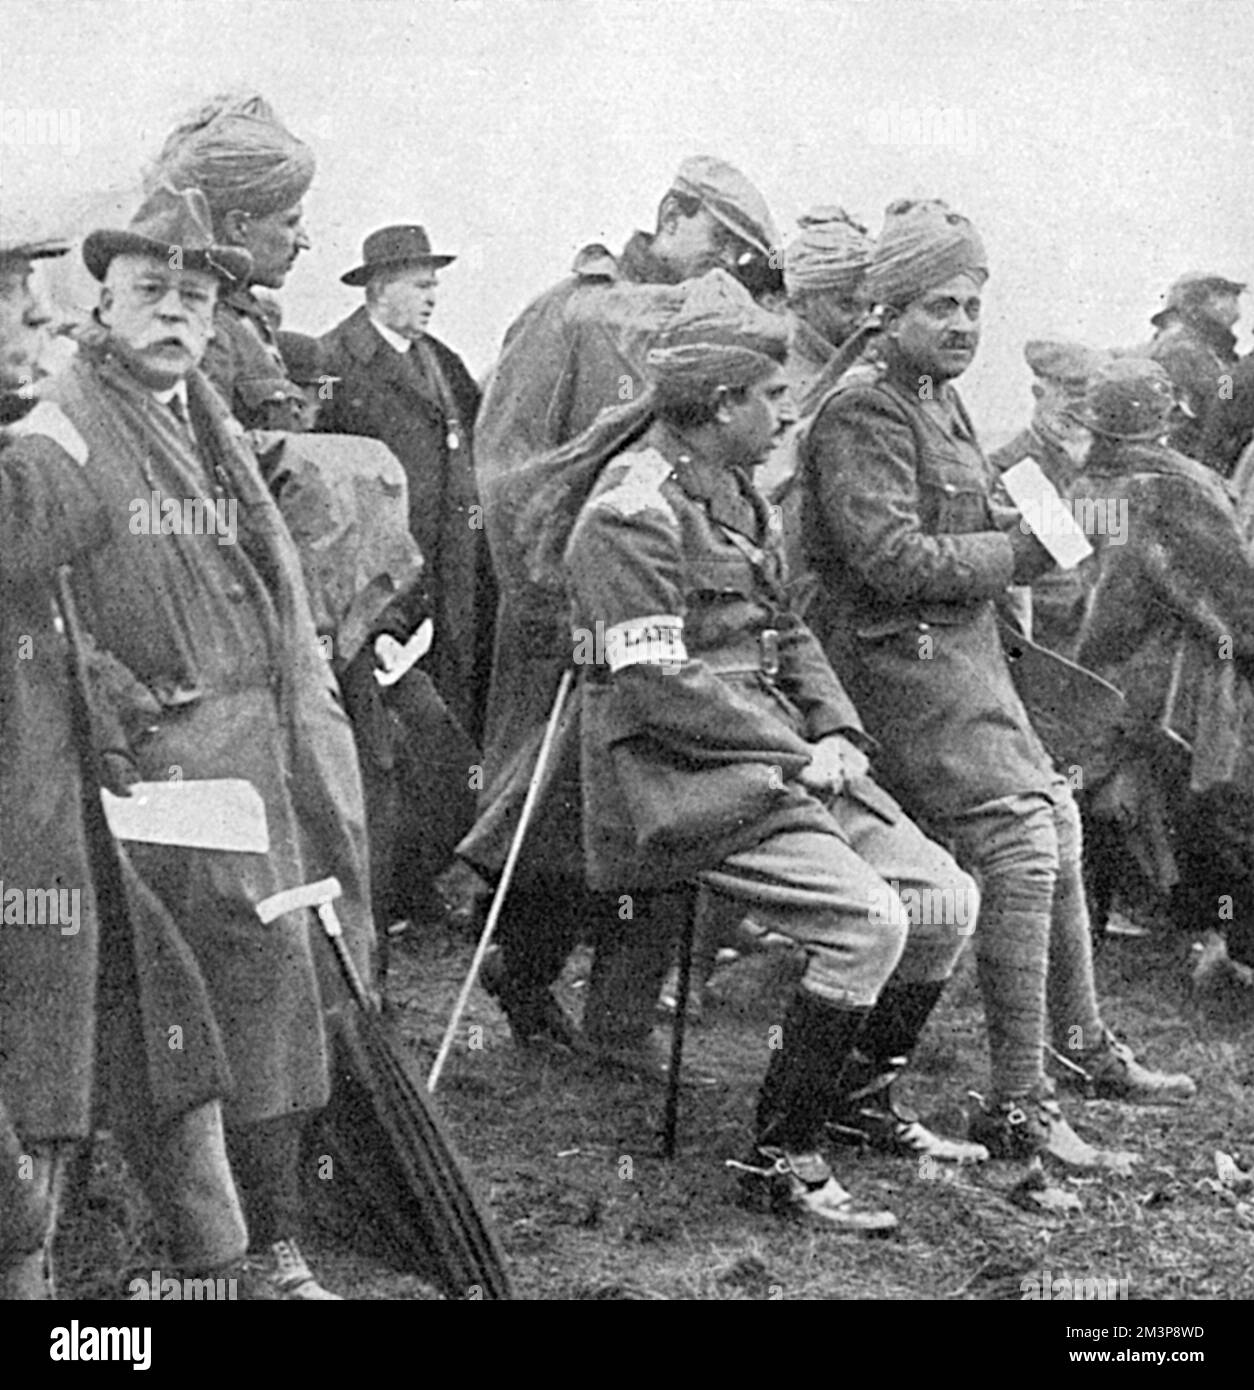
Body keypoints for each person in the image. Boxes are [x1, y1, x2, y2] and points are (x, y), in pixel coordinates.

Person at [557, 270, 985, 1228]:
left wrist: (834, 727)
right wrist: (796, 753)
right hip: (677, 777)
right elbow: (655, 684)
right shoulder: (630, 513)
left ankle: (857, 1103)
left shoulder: (736, 494)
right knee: (872, 923)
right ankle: (777, 1157)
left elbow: (787, 630)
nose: (788, 414)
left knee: (946, 899)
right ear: (720, 406)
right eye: (773, 398)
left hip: (776, 760)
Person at [801, 199, 1195, 1170]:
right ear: (888, 309)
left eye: (974, 304)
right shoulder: (864, 407)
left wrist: (1071, 527)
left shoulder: (936, 398)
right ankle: (1017, 1103)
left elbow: (993, 514)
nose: (964, 325)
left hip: (956, 663)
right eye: (941, 305)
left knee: (1054, 820)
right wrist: (1011, 550)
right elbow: (886, 556)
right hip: (891, 668)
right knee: (1023, 837)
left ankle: (1082, 1047)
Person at [42, 184, 381, 1299]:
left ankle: (268, 1239)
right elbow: (39, 590)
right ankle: (200, 1251)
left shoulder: (204, 411)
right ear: (104, 294)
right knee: (198, 995)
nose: (175, 312)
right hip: (157, 757)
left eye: (194, 294)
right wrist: (106, 701)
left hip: (257, 743)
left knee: (283, 979)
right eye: (151, 290)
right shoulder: (66, 411)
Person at [463, 155, 782, 1070]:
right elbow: (507, 463)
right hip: (560, 602)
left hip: (660, 606)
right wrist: (557, 590)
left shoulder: (704, 327)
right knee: (552, 811)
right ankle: (522, 975)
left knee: (642, 803)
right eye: (719, 242)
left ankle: (609, 1008)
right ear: (671, 217)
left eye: (744, 258)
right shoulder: (569, 312)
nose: (727, 267)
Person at [0, 222, 253, 1298]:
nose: (43, 316)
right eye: (16, 300)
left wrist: (105, 715)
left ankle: (216, 1271)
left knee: (165, 1040)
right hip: (21, 841)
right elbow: (27, 526)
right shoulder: (48, 441)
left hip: (59, 817)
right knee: (30, 1093)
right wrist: (66, 431)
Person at [1068, 358, 1254, 978]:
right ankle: (1233, 951)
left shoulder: (1079, 482)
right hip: (1172, 686)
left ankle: (1079, 957)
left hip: (1088, 681)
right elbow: (1230, 599)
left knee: (1092, 816)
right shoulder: (1176, 488)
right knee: (1222, 811)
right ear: (1167, 419)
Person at [318, 225, 493, 745]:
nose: (432, 297)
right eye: (419, 286)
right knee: (387, 728)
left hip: (450, 578)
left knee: (452, 716)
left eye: (434, 285)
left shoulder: (443, 363)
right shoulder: (333, 363)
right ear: (378, 291)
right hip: (380, 586)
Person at [151, 91, 314, 425]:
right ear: (238, 226)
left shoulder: (247, 317)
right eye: (290, 222)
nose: (304, 240)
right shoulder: (206, 326)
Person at [988, 339, 1107, 655]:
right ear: (1038, 393)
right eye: (1071, 395)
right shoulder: (1019, 468)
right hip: (1055, 643)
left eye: (1092, 400)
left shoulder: (1094, 462)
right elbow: (1065, 576)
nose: (1083, 411)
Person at [1141, 271, 1244, 464]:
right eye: (1228, 295)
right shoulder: (1183, 347)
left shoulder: (1211, 347)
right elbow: (1219, 402)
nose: (1235, 305)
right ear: (1205, 301)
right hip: (1189, 458)